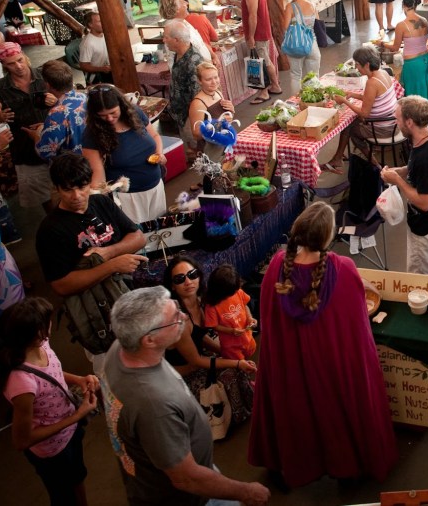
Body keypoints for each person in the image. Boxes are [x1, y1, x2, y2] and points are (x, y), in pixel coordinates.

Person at [248, 202, 397, 488]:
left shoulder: (277, 267)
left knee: (296, 415)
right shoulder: (343, 268)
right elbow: (356, 330)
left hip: (289, 367)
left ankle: (289, 465)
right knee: (336, 415)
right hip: (331, 368)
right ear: (328, 237)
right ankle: (346, 468)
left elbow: (270, 319)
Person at [105, 287, 270, 505]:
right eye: (174, 318)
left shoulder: (120, 349)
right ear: (149, 340)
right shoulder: (154, 405)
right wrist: (245, 491)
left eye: (177, 308)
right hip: (188, 497)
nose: (183, 317)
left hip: (192, 469)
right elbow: (186, 478)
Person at [0, 297, 99, 506]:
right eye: (46, 323)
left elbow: (51, 372)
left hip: (70, 434)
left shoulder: (42, 344)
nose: (50, 326)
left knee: (78, 477)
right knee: (63, 496)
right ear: (37, 333)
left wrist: (79, 379)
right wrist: (77, 415)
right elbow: (22, 441)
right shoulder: (22, 383)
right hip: (53, 452)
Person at [37, 153, 145, 311]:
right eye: (67, 190)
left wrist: (109, 252)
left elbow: (139, 238)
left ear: (89, 183)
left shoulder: (101, 202)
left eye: (81, 187)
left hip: (130, 289)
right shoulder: (49, 230)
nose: (76, 196)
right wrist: (111, 266)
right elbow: (61, 285)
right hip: (97, 306)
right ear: (57, 188)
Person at [163, 255, 256, 424]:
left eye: (192, 275)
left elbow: (200, 337)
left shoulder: (201, 302)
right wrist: (235, 362)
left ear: (199, 276)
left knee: (234, 358)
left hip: (199, 358)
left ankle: (248, 405)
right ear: (172, 286)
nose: (188, 282)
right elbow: (196, 361)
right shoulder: (178, 319)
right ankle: (233, 419)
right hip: (182, 372)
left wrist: (225, 351)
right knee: (232, 371)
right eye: (179, 279)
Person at [380, 96, 428, 276]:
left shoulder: (425, 157)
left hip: (427, 232)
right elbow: (422, 171)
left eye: (398, 119)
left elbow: (425, 203)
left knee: (424, 283)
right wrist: (402, 171)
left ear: (409, 122)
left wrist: (397, 181)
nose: (396, 123)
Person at [82, 84, 167, 224]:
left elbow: (155, 136)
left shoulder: (135, 112)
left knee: (161, 229)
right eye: (102, 116)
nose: (109, 118)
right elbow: (98, 176)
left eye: (113, 113)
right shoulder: (91, 135)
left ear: (121, 105)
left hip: (156, 186)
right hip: (128, 198)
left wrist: (159, 153)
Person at [0, 41, 55, 211]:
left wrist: (56, 101)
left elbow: (69, 101)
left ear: (25, 56)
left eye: (20, 60)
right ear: (3, 65)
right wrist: (0, 118)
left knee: (66, 188)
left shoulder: (46, 77)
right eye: (11, 63)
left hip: (55, 143)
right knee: (44, 197)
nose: (18, 66)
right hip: (25, 150)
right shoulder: (1, 88)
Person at [329, 45, 397, 171]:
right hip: (392, 122)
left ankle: (375, 165)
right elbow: (373, 98)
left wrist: (344, 101)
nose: (356, 68)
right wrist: (352, 94)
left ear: (366, 65)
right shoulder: (382, 73)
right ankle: (338, 157)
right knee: (350, 123)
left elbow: (364, 114)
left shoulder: (372, 82)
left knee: (350, 128)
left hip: (383, 128)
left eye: (357, 65)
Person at [233, 0, 281, 103]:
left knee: (260, 62)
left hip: (258, 33)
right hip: (262, 31)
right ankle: (275, 86)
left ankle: (264, 92)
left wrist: (251, 36)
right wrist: (234, 2)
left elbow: (253, 16)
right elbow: (248, 8)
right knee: (266, 60)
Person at [384, 0, 428, 110]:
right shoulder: (424, 20)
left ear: (403, 5)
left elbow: (395, 47)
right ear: (415, 5)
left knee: (415, 95)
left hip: (413, 64)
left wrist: (382, 44)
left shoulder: (402, 25)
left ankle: (417, 117)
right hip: (426, 60)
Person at [33, 59, 87, 162]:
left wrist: (37, 134)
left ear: (48, 85)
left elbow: (45, 152)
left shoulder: (57, 113)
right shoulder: (84, 97)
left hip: (74, 166)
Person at [203, 264, 256, 361]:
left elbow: (244, 305)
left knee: (250, 355)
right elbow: (214, 326)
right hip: (231, 346)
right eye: (232, 292)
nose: (236, 292)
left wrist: (249, 318)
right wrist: (231, 331)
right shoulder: (212, 306)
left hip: (247, 337)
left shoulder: (237, 291)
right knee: (238, 364)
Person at [165, 20, 203, 154]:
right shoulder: (179, 53)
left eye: (166, 37)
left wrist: (191, 120)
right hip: (180, 114)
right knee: (189, 147)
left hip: (189, 116)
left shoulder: (193, 61)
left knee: (196, 149)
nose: (164, 40)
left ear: (176, 40)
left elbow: (197, 96)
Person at [281, 0, 321, 87]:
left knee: (296, 75)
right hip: (312, 44)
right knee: (313, 77)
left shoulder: (290, 6)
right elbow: (317, 22)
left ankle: (297, 99)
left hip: (296, 44)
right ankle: (313, 98)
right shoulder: (312, 5)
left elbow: (285, 26)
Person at [187, 62, 234, 159]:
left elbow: (226, 119)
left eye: (216, 77)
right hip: (211, 151)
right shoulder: (198, 103)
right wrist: (217, 124)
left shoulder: (218, 92)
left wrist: (231, 111)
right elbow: (196, 134)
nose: (214, 82)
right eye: (208, 79)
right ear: (200, 81)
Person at [78, 12, 113, 84]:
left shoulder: (105, 35)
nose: (103, 23)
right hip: (96, 76)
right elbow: (83, 66)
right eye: (99, 21)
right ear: (90, 25)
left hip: (108, 70)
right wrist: (102, 69)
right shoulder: (87, 43)